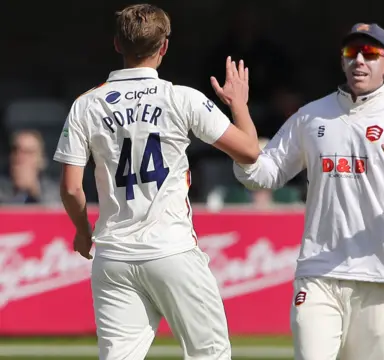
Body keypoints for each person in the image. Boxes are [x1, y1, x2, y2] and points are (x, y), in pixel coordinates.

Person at [234, 23, 384, 360]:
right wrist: (240, 119)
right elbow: (263, 176)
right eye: (352, 53)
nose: (360, 61)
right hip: (319, 271)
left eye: (370, 53)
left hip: (381, 274)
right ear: (342, 61)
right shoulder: (311, 116)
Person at [53, 4, 260, 360]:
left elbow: (71, 188)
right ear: (163, 47)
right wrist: (238, 104)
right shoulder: (181, 98)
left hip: (114, 256)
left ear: (117, 44)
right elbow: (250, 153)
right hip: (172, 250)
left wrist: (82, 231)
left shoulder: (86, 104)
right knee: (209, 353)